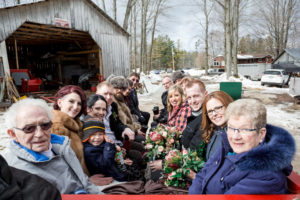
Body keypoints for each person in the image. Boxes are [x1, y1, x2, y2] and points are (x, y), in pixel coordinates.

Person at [189, 99, 295, 194]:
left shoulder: (266, 175)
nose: (235, 136)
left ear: (261, 134)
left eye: (244, 129)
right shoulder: (227, 148)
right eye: (231, 128)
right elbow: (202, 174)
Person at [2, 98, 101, 194]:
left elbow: (84, 182)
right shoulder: (9, 168)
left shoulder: (61, 145)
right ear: (13, 134)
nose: (39, 134)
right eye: (29, 128)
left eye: (45, 125)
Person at [51, 85, 89, 175]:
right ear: (60, 102)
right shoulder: (57, 127)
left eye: (79, 103)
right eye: (71, 101)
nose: (76, 107)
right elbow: (61, 167)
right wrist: (87, 181)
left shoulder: (76, 125)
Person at [201, 91, 233, 160]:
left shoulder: (236, 134)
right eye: (210, 111)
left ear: (228, 106)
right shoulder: (213, 130)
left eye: (218, 108)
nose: (214, 114)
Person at [180, 79, 207, 150]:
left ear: (205, 94)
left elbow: (195, 148)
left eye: (196, 96)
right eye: (189, 97)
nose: (193, 101)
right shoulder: (193, 114)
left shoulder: (207, 118)